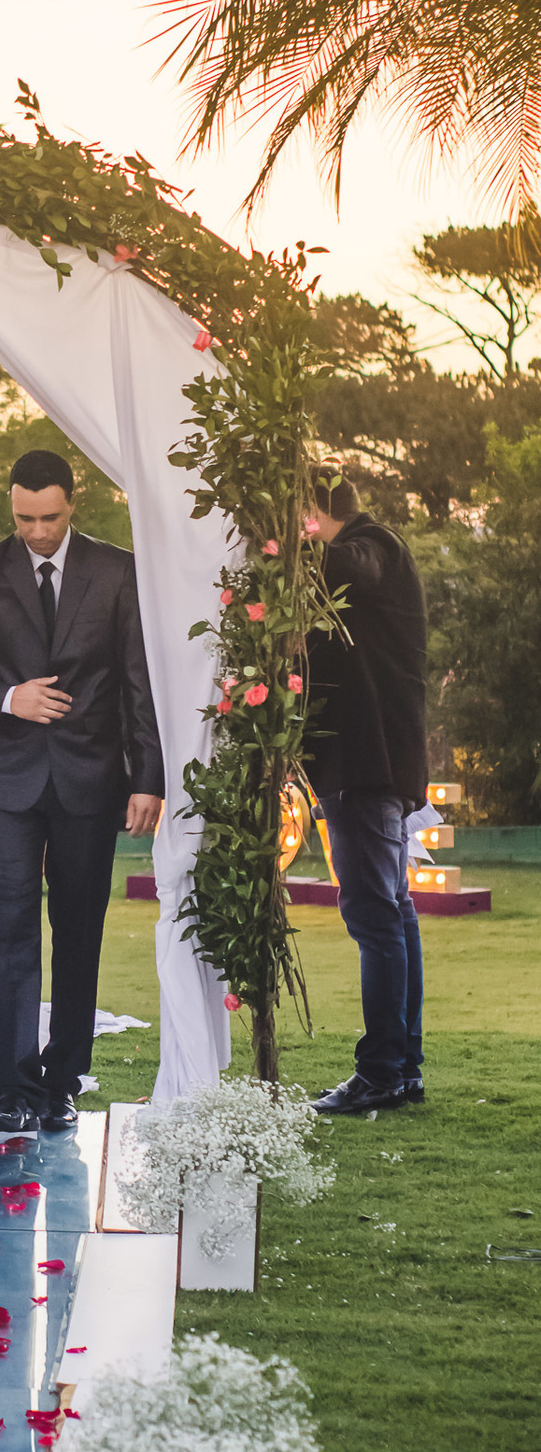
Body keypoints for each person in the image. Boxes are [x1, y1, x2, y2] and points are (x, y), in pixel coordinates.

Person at [0, 449, 163, 1135]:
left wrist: (147, 777)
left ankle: (63, 1083)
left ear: (72, 504)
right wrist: (4, 697)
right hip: (6, 783)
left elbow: (138, 681)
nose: (38, 531)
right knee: (13, 930)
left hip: (92, 780)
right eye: (25, 518)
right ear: (12, 507)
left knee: (79, 932)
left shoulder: (116, 570)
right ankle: (14, 1086)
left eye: (49, 517)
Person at [304, 468, 428, 1116]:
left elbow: (352, 566)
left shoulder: (375, 546)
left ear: (312, 512)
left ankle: (381, 1071)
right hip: (375, 766)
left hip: (366, 766)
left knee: (374, 915)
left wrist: (291, 543)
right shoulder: (374, 553)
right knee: (393, 912)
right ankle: (401, 1067)